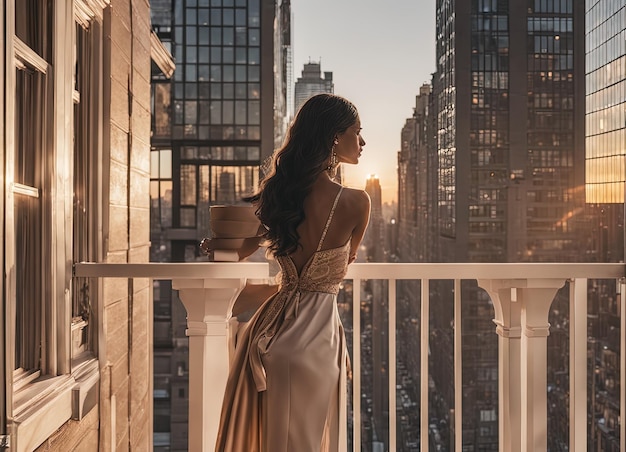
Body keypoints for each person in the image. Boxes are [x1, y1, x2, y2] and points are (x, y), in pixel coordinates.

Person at [213, 93, 370, 452]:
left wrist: (214, 245)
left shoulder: (280, 196)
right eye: (357, 133)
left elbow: (240, 251)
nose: (362, 142)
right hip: (318, 342)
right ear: (334, 137)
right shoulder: (357, 203)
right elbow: (344, 264)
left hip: (269, 336)